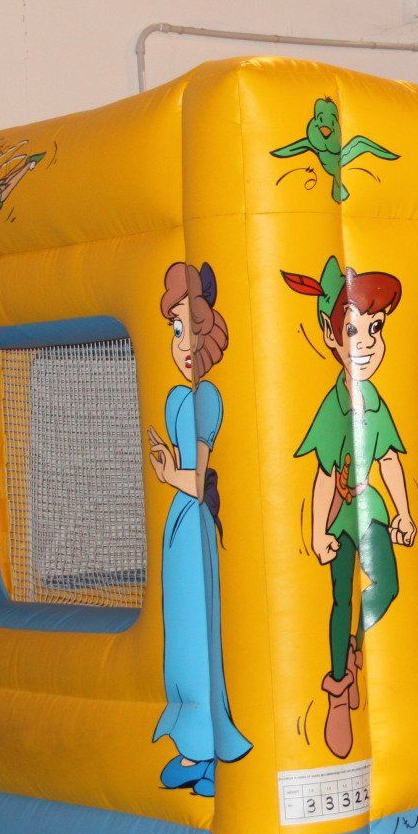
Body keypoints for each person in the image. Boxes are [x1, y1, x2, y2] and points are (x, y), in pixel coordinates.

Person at [282, 256, 418, 759]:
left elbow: (389, 461)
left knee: (388, 583)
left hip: (371, 508)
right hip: (341, 514)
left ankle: (356, 646)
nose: (366, 343)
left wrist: (403, 513)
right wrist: (319, 531)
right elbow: (322, 472)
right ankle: (339, 688)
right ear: (332, 336)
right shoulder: (334, 404)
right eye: (354, 330)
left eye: (375, 329)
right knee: (340, 597)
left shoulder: (376, 401)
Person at [146, 261, 250, 795]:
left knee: (199, 634)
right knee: (182, 634)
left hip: (194, 518)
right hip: (179, 525)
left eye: (193, 329)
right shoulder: (174, 397)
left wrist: (168, 471)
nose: (184, 341)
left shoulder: (205, 397)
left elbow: (200, 472)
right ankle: (194, 747)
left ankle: (209, 749)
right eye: (176, 329)